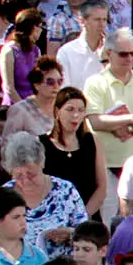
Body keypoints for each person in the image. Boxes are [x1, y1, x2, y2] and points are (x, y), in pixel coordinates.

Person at [84, 28, 133, 194]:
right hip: (106, 166)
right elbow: (94, 122)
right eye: (123, 54)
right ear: (109, 53)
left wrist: (124, 126)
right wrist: (131, 119)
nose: (129, 58)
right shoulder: (95, 83)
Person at [43, 87, 109, 216]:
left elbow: (101, 188)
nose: (76, 115)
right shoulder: (42, 144)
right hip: (53, 217)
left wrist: (81, 217)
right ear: (57, 112)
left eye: (81, 110)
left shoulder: (91, 141)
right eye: (70, 109)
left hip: (87, 218)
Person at [54, 0, 107, 90]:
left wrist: (106, 60)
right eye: (97, 20)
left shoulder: (113, 51)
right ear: (82, 21)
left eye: (104, 20)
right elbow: (64, 88)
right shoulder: (66, 52)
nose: (102, 24)